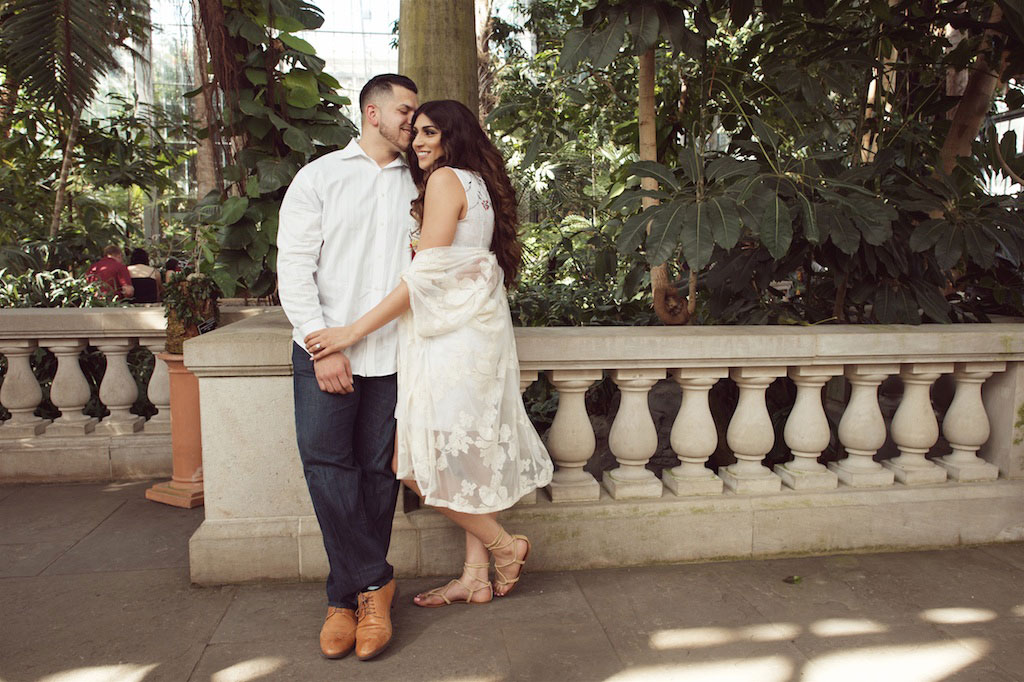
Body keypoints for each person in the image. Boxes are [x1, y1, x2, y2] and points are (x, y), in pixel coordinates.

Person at [305, 100, 553, 609]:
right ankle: (474, 577)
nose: (418, 142)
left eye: (430, 133)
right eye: (415, 132)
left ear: (452, 137)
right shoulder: (480, 185)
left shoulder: (444, 181)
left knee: (411, 464)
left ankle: (507, 548)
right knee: (465, 463)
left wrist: (350, 332)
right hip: (474, 337)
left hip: (451, 344)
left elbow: (424, 277)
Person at [277, 73, 419, 662]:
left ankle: (347, 596)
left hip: (390, 357)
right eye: (406, 112)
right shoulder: (320, 178)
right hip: (324, 353)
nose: (414, 121)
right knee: (325, 465)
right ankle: (371, 583)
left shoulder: (423, 181)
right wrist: (323, 344)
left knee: (376, 475)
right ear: (372, 114)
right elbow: (294, 269)